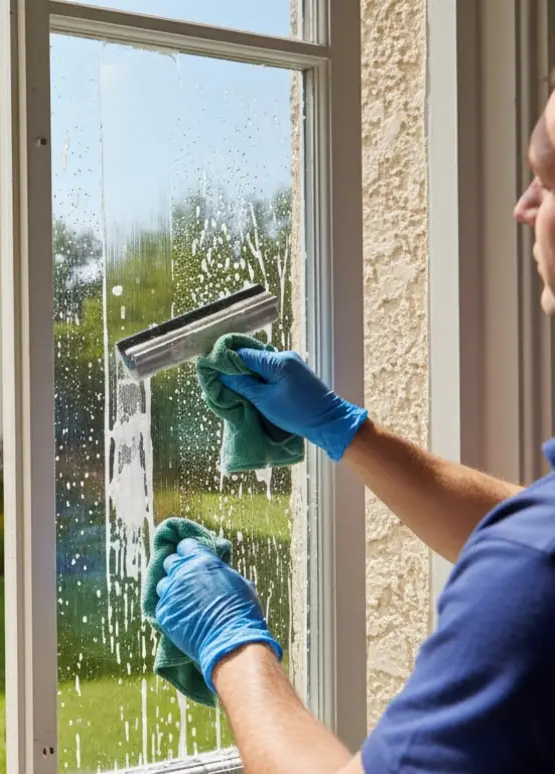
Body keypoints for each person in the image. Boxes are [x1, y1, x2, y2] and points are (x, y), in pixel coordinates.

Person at [150, 90, 555, 772]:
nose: (523, 207)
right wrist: (346, 431)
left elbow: (533, 561)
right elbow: (527, 533)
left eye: (547, 176)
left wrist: (232, 646)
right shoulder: (533, 553)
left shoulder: (529, 574)